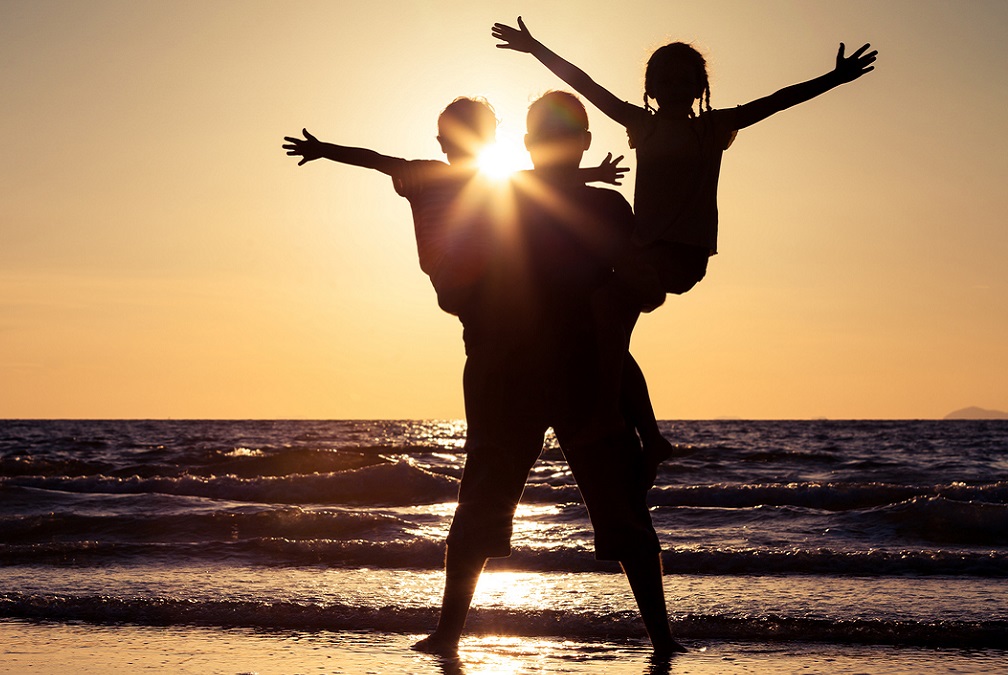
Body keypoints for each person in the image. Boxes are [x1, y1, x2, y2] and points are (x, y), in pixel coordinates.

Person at [492, 17, 877, 473]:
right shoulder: (641, 124)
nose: (674, 86)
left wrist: (834, 78)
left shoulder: (712, 129)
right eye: (665, 79)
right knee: (605, 329)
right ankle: (650, 438)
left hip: (682, 255)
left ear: (699, 88)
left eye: (684, 79)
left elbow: (778, 101)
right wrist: (535, 47)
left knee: (605, 308)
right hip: (640, 252)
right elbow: (585, 83)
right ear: (651, 89)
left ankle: (606, 417)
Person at [411, 91, 683, 658]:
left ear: (581, 143)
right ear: (530, 144)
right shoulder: (505, 198)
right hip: (517, 372)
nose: (554, 145)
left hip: (569, 374)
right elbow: (457, 287)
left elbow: (644, 290)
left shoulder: (596, 207)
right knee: (488, 500)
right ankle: (449, 634)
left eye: (564, 135)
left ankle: (662, 637)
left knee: (615, 508)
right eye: (544, 135)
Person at [282, 98, 670, 453]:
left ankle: (506, 418)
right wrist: (323, 150)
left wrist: (594, 173)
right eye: (457, 137)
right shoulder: (424, 174)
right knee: (486, 349)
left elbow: (547, 180)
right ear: (441, 142)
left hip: (481, 281)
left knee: (490, 341)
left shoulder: (496, 181)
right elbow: (374, 158)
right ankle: (483, 429)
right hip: (453, 276)